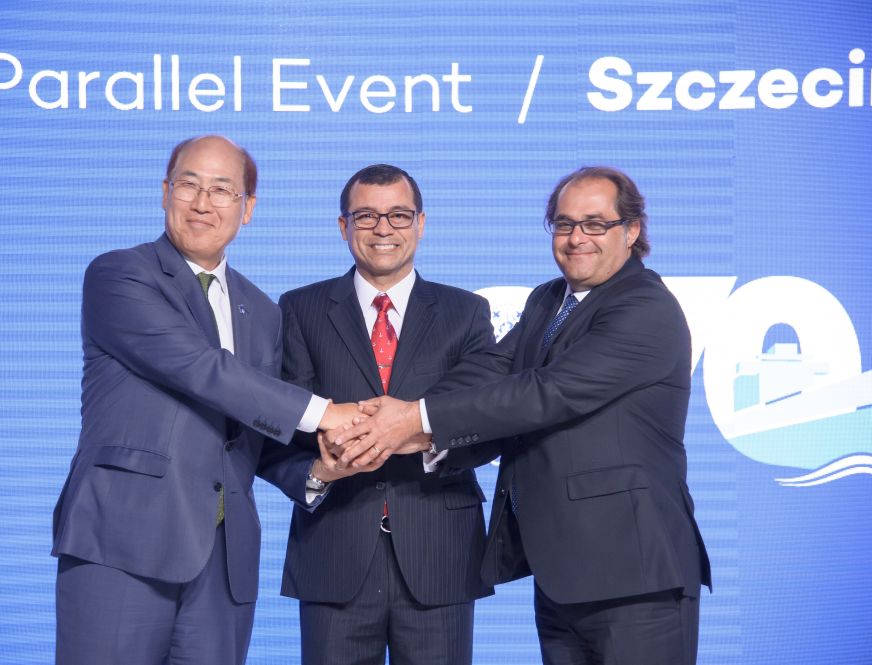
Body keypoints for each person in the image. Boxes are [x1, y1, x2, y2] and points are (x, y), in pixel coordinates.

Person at [332, 166, 712, 665]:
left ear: (632, 230)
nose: (577, 238)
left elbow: (546, 393)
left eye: (595, 224)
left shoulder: (645, 308)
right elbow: (490, 369)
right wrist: (395, 415)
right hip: (564, 575)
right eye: (564, 224)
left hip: (635, 578)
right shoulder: (549, 299)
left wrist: (413, 419)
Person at [51, 135, 356, 665]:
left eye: (221, 190)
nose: (202, 203)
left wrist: (318, 472)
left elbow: (252, 433)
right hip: (122, 543)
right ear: (165, 192)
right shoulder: (121, 274)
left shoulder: (262, 311)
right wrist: (325, 412)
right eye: (188, 185)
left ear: (247, 208)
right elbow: (200, 368)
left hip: (223, 561)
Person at [257, 164, 496, 665]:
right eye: (366, 215)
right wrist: (319, 471)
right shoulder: (299, 309)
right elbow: (276, 423)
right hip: (333, 551)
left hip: (440, 553)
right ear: (343, 225)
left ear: (421, 223)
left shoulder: (466, 312)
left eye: (398, 215)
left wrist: (416, 437)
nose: (383, 228)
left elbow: (484, 422)